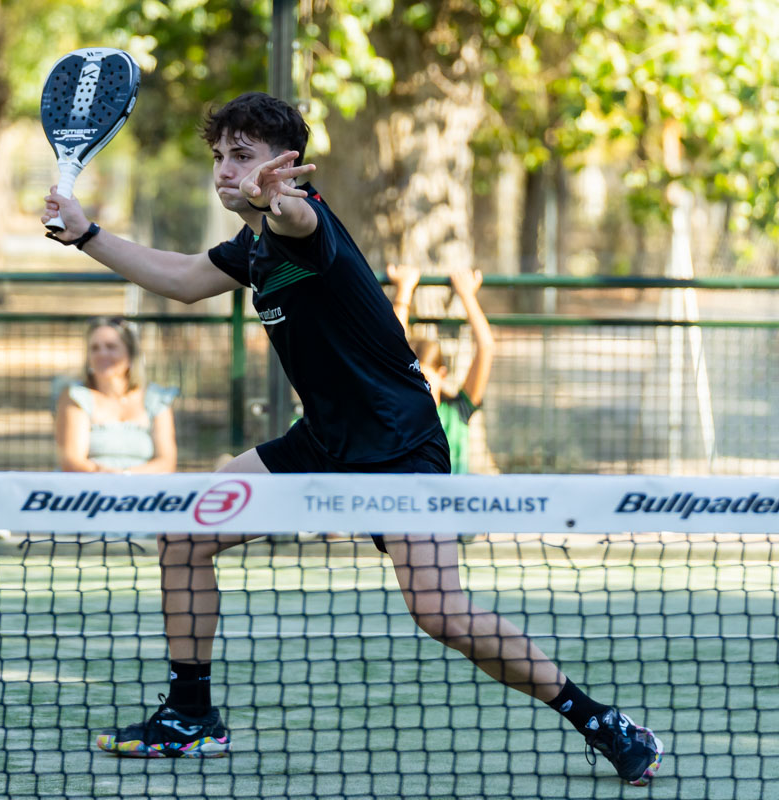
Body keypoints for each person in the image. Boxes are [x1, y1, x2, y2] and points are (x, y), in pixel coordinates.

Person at [42, 91, 662, 784]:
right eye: (219, 156)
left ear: (286, 163)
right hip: (321, 443)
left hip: (398, 447)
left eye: (242, 155)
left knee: (442, 615)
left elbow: (297, 217)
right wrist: (88, 234)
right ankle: (191, 717)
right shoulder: (253, 248)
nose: (225, 169)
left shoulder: (304, 226)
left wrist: (275, 198)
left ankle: (598, 720)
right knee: (186, 534)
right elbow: (184, 279)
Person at [387, 264, 494, 475]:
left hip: (452, 495)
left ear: (442, 374)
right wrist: (404, 289)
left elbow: (486, 347)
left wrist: (467, 295)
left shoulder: (457, 411)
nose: (420, 386)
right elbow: (392, 350)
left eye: (425, 378)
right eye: (414, 379)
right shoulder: (402, 409)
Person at [55, 316, 178, 475]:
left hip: (143, 486)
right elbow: (72, 461)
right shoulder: (77, 397)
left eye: (111, 347)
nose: (102, 354)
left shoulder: (156, 398)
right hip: (91, 485)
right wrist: (108, 476)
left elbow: (167, 462)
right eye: (95, 348)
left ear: (131, 355)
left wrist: (126, 476)